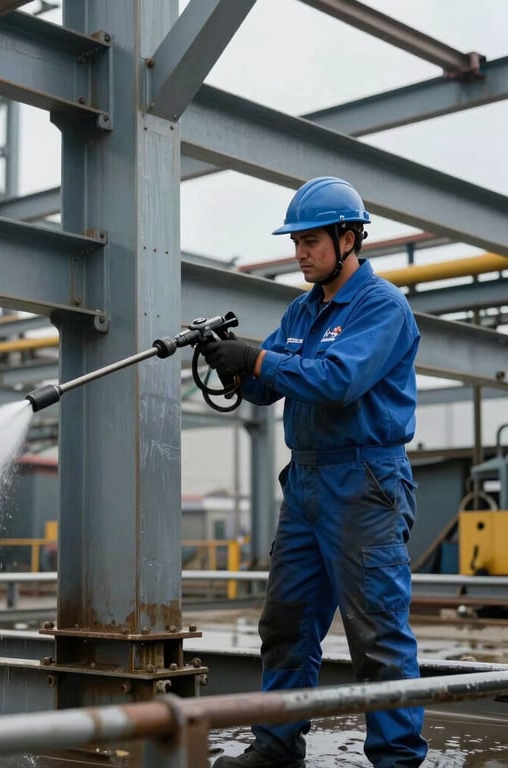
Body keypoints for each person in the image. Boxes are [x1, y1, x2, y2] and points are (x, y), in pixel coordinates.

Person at [202, 177, 428, 768]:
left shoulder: (382, 308)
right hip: (305, 483)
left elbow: (337, 381)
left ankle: (398, 759)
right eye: (296, 241)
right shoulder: (301, 310)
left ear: (348, 238)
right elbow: (265, 386)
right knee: (287, 623)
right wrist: (232, 364)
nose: (299, 252)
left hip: (364, 483)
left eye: (311, 241)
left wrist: (258, 358)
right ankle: (276, 746)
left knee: (376, 631)